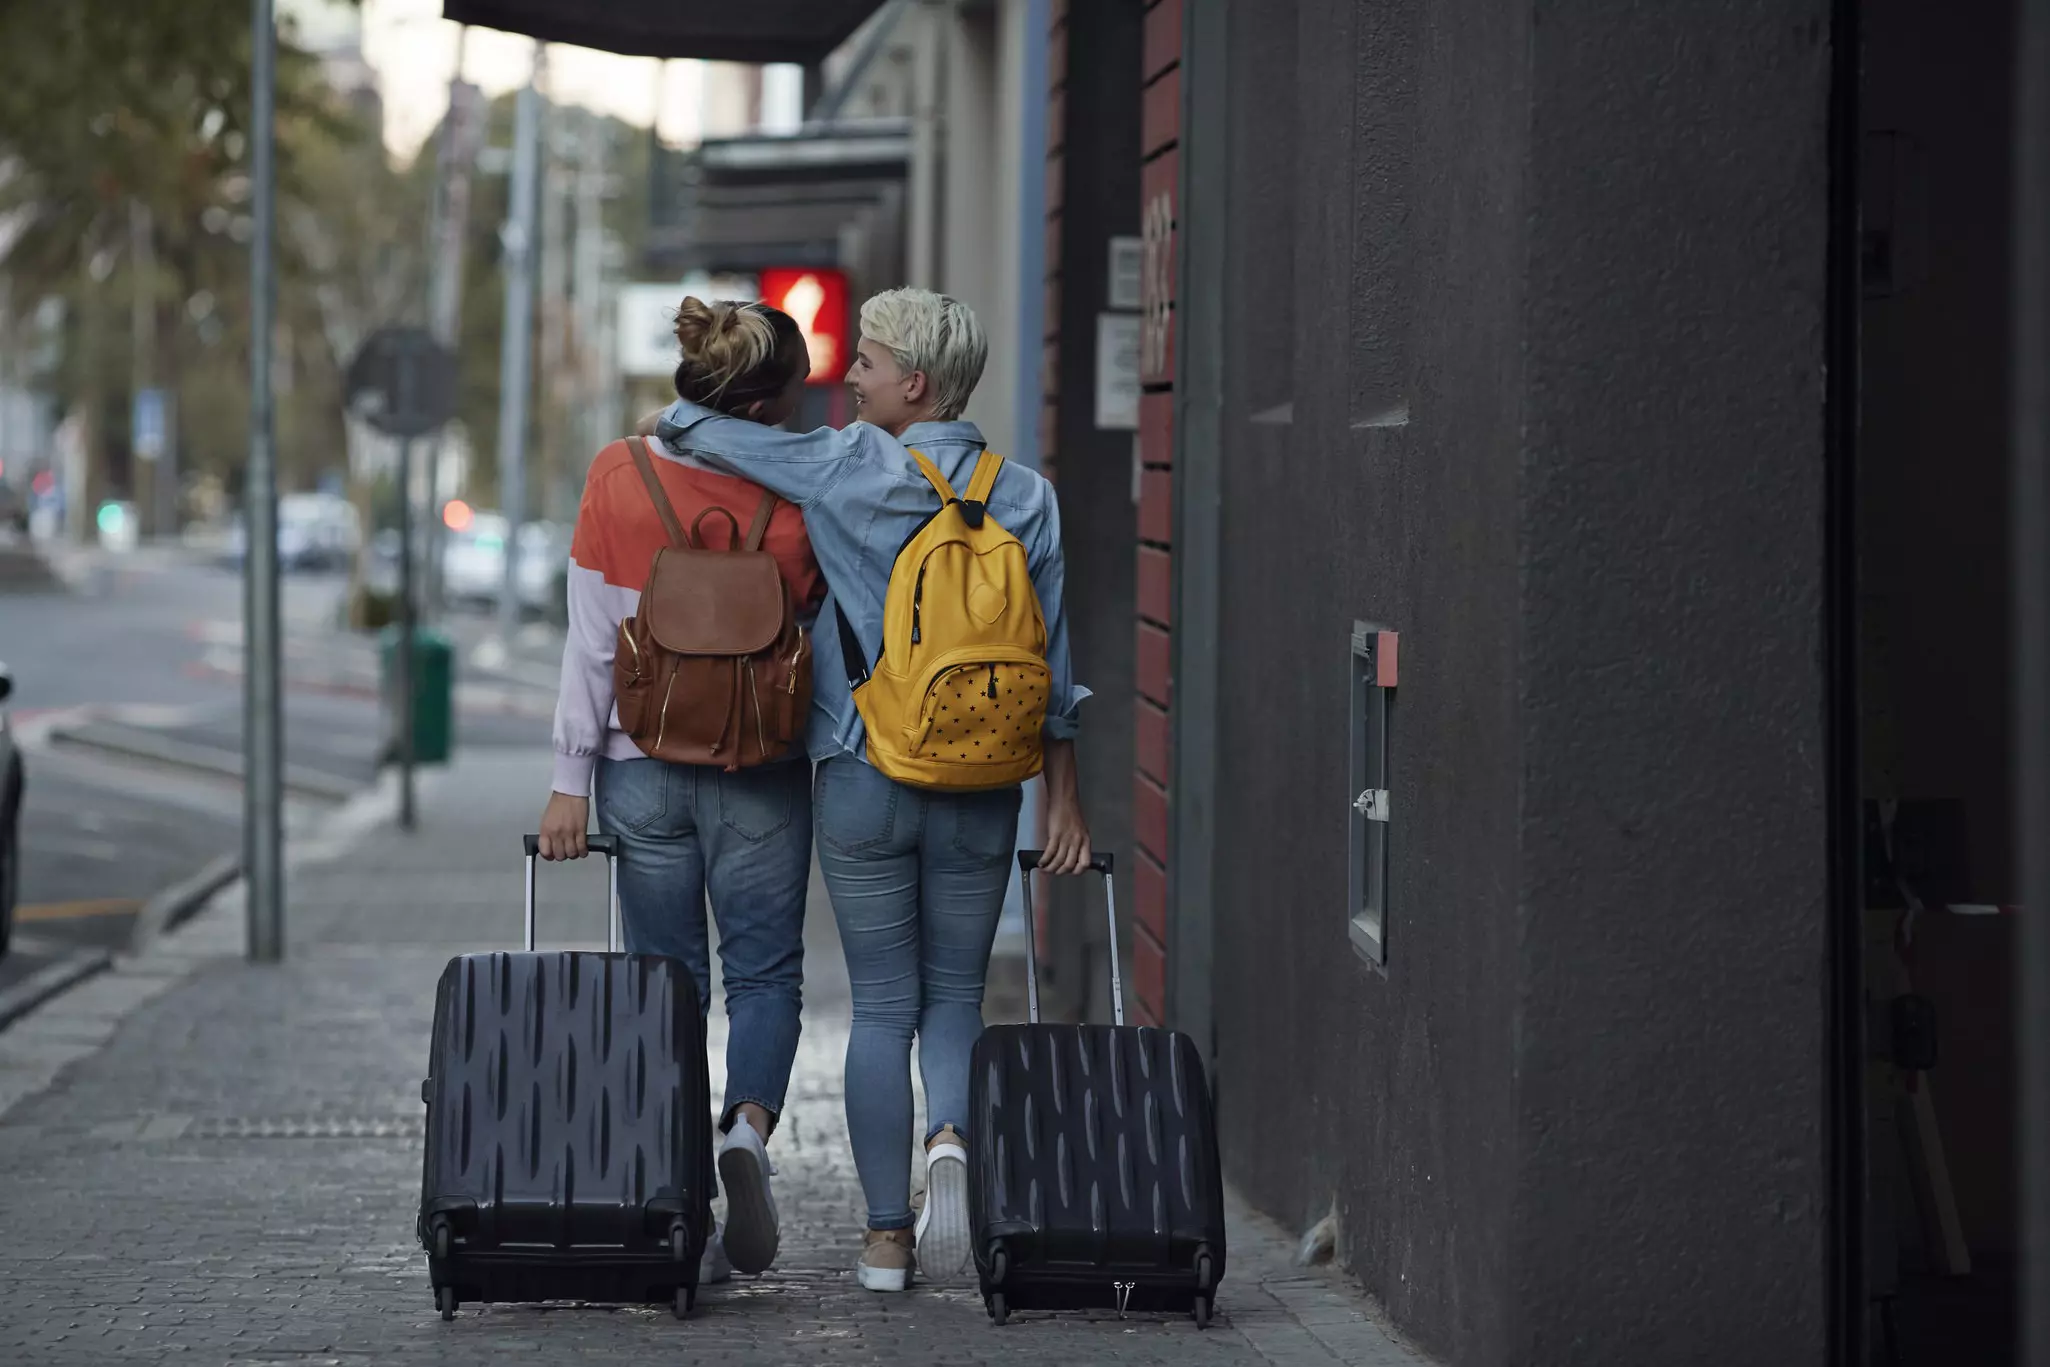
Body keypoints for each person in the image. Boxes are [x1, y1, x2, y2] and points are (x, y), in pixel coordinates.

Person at [645, 287, 1094, 1293]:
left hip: (863, 770)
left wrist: (718, 358)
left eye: (869, 362)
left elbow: (690, 427)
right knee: (954, 999)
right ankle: (949, 1141)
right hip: (987, 783)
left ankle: (887, 1237)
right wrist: (1065, 798)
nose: (849, 377)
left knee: (882, 1004)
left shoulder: (844, 464)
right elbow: (1055, 670)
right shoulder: (1027, 494)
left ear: (915, 383)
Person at [537, 298, 823, 1283]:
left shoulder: (616, 475)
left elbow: (586, 642)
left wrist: (567, 781)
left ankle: (682, 1201)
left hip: (637, 764)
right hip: (761, 769)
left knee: (666, 987)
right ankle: (746, 1123)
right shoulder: (795, 501)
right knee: (764, 974)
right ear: (769, 398)